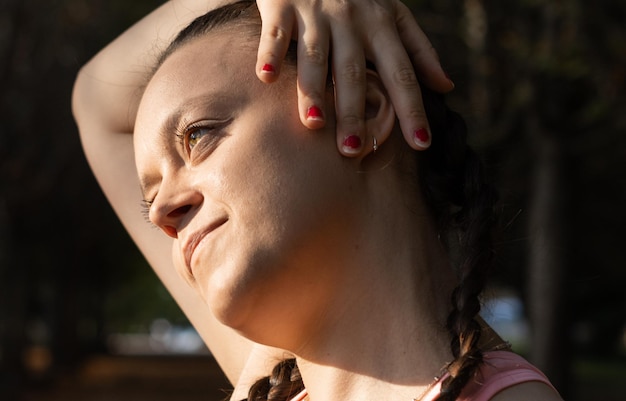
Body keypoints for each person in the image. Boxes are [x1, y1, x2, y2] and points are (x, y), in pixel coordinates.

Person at [72, 1, 563, 400]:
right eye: (151, 197)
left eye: (197, 135)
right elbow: (96, 100)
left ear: (364, 110)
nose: (161, 214)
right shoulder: (268, 379)